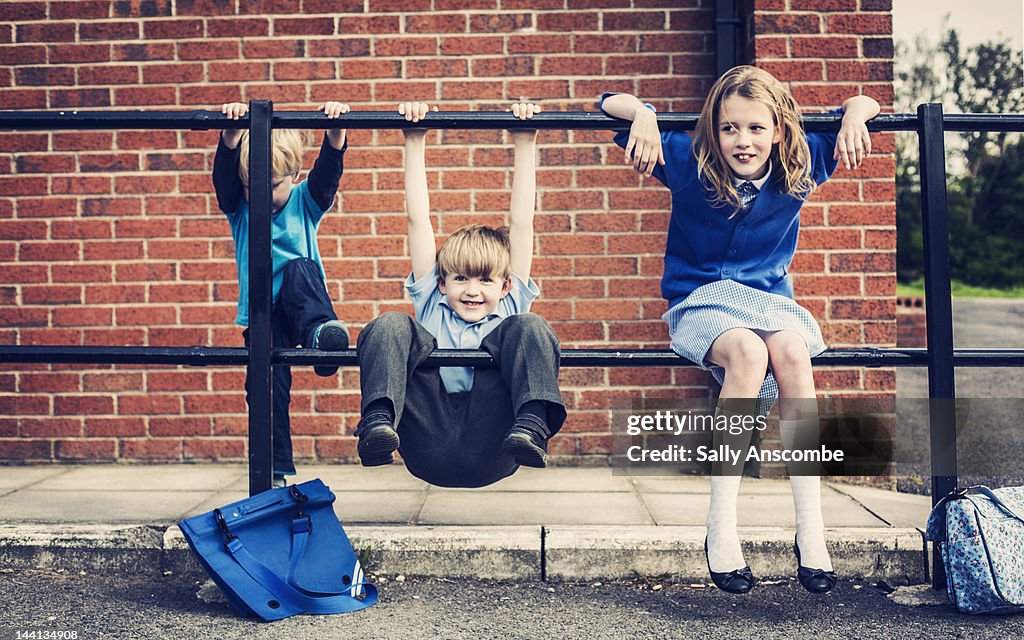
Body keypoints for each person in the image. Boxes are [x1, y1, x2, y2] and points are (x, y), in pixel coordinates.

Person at [598, 66, 880, 594]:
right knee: (749, 354)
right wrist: (642, 112)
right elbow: (606, 99)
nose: (742, 141)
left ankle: (810, 528)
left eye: (755, 128)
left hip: (770, 302)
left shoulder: (805, 163)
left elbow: (867, 100)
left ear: (777, 129)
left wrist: (855, 115)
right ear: (714, 129)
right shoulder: (686, 161)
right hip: (700, 299)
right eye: (729, 128)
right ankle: (721, 528)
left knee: (794, 353)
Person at [352, 101, 567, 488]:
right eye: (461, 279)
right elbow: (418, 220)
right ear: (440, 283)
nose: (472, 291)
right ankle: (378, 421)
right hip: (425, 438)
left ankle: (534, 422)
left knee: (530, 326)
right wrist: (414, 139)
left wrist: (525, 141)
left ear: (505, 286)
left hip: (496, 442)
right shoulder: (431, 303)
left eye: (485, 282)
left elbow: (522, 222)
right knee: (391, 324)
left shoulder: (512, 303)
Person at [214, 101, 354, 488]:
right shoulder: (240, 209)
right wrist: (230, 133)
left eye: (272, 185)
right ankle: (274, 472)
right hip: (264, 315)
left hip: (302, 307)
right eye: (251, 185)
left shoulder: (303, 203)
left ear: (293, 175)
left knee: (299, 269)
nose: (259, 194)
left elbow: (326, 177)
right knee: (266, 388)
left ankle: (323, 340)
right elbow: (223, 179)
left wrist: (336, 133)